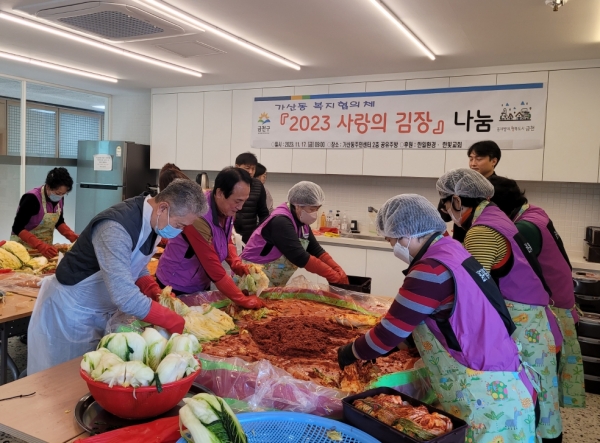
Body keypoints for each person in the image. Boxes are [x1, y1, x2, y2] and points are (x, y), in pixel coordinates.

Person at [337, 194, 537, 443]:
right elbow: (443, 319)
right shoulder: (452, 250)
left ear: (407, 233)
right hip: (504, 375)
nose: (392, 247)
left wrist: (349, 353)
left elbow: (387, 333)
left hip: (484, 392)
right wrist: (399, 346)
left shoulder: (429, 271)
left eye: (391, 240)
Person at [27, 179, 206, 375]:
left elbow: (133, 264)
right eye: (179, 224)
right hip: (73, 313)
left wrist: (150, 287)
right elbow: (125, 297)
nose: (179, 231)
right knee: (65, 380)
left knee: (97, 372)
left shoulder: (154, 221)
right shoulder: (115, 226)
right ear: (163, 207)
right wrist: (170, 319)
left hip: (99, 309)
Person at [437, 168, 563, 442]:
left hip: (524, 326)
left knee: (532, 402)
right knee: (543, 401)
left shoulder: (482, 231)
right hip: (536, 321)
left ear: (457, 200)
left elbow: (472, 291)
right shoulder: (498, 218)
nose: (449, 213)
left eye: (447, 205)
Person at [489, 175, 586, 408]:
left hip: (551, 308)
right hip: (561, 299)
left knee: (542, 381)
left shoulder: (524, 227)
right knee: (549, 378)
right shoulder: (534, 212)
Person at [156, 167, 264, 309]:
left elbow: (227, 240)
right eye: (237, 201)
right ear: (219, 193)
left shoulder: (226, 208)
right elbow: (213, 268)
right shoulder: (197, 216)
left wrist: (235, 263)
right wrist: (242, 299)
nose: (240, 207)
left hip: (200, 281)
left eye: (244, 201)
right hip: (176, 284)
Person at [242, 181, 349, 287]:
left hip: (270, 282)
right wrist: (331, 275)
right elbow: (299, 256)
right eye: (312, 209)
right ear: (297, 205)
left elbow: (316, 250)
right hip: (251, 279)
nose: (315, 213)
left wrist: (337, 268)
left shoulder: (301, 221)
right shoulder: (281, 221)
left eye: (317, 209)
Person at [11, 167, 78, 259]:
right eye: (58, 193)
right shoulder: (31, 198)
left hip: (45, 250)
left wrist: (71, 235)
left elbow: (58, 221)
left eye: (63, 193)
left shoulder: (59, 197)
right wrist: (39, 245)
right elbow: (17, 227)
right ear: (48, 186)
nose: (60, 196)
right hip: (23, 249)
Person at [233, 152, 269, 243]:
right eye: (247, 168)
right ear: (237, 167)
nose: (250, 172)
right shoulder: (229, 182)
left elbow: (263, 213)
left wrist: (261, 233)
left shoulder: (258, 185)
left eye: (253, 169)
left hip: (250, 235)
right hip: (230, 232)